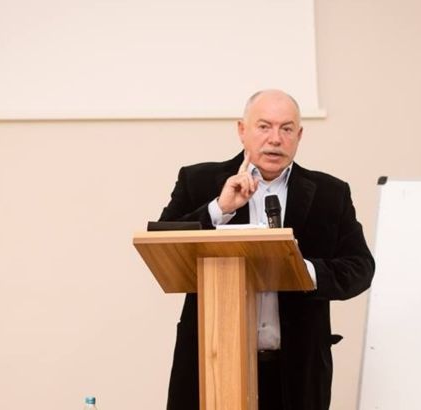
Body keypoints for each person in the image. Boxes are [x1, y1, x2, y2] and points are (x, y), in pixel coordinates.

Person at [159, 89, 375, 410]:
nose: (275, 139)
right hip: (212, 363)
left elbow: (360, 268)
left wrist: (301, 269)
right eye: (264, 126)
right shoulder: (198, 181)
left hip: (296, 373)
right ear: (241, 130)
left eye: (287, 129)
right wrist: (219, 208)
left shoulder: (330, 193)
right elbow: (164, 242)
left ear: (299, 136)